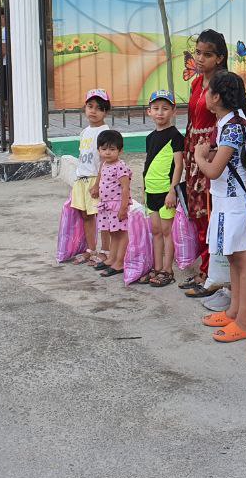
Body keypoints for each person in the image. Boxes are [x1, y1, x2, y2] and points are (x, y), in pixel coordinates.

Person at [192, 70, 246, 343]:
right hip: (226, 202)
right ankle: (233, 312)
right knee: (233, 257)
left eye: (208, 91)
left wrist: (199, 156)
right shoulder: (228, 123)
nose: (205, 96)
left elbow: (215, 171)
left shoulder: (232, 127)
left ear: (217, 97)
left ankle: (244, 321)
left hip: (235, 203)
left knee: (243, 260)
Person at [181, 30, 229, 304]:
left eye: (207, 54)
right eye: (198, 52)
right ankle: (203, 270)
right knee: (196, 212)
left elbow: (223, 119)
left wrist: (208, 151)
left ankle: (210, 273)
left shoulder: (221, 86)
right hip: (193, 153)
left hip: (210, 152)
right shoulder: (197, 83)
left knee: (209, 211)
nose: (200, 58)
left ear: (219, 58)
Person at [142, 89, 184, 287]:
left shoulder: (175, 136)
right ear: (149, 111)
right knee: (156, 231)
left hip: (166, 192)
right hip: (151, 191)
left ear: (173, 111)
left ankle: (168, 270)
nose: (160, 112)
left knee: (168, 232)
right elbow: (148, 164)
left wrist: (172, 190)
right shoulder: (150, 137)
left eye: (165, 108)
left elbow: (179, 165)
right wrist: (144, 190)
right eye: (156, 108)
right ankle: (157, 267)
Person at [69, 89, 109, 265]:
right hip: (82, 179)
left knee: (102, 216)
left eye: (98, 108)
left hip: (95, 179)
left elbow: (105, 161)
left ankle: (105, 251)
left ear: (105, 112)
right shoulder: (85, 131)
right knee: (86, 216)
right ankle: (91, 250)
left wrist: (97, 184)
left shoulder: (105, 132)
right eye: (90, 106)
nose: (93, 111)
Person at [91, 129, 132, 277]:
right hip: (106, 205)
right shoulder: (104, 164)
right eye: (104, 149)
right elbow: (100, 176)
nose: (107, 152)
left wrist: (123, 207)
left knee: (122, 234)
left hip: (117, 206)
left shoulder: (120, 166)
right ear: (99, 150)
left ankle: (120, 262)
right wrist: (95, 186)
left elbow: (125, 188)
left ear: (120, 150)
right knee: (113, 234)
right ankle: (111, 259)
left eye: (112, 149)